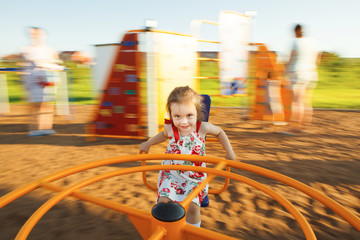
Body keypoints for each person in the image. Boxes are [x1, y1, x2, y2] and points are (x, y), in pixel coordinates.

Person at [139, 86, 236, 228]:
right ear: (171, 115)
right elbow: (162, 135)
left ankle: (192, 231)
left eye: (189, 116)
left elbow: (220, 132)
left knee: (193, 207)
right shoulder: (171, 129)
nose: (183, 122)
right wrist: (148, 143)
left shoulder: (202, 128)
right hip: (171, 174)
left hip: (194, 177)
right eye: (177, 116)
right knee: (163, 203)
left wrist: (229, 151)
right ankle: (166, 232)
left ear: (197, 113)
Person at [21, 27, 63, 136]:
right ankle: (34, 129)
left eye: (38, 34)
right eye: (33, 34)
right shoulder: (27, 49)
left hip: (47, 79)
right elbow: (32, 63)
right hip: (33, 80)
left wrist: (57, 69)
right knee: (35, 106)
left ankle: (46, 128)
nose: (36, 36)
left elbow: (56, 61)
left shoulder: (49, 49)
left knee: (47, 105)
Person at [284, 24, 321, 134]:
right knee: (306, 101)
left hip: (297, 73)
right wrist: (314, 66)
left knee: (296, 102)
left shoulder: (296, 42)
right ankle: (304, 126)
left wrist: (285, 71)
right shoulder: (312, 42)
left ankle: (294, 128)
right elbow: (319, 55)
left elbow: (291, 58)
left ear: (295, 32)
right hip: (311, 73)